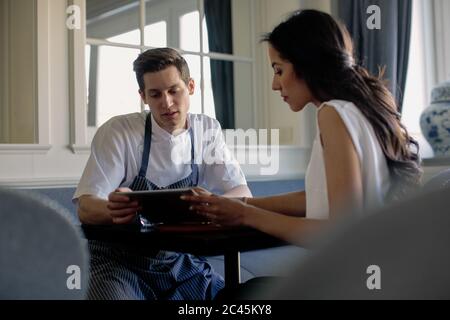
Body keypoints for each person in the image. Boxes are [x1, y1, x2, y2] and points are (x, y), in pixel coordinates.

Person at [182, 10, 422, 247]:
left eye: (279, 70)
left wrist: (244, 214)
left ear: (306, 63)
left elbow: (340, 231)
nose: (275, 85)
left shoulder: (333, 113)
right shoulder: (363, 108)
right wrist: (241, 203)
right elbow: (319, 199)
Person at [73, 47, 252, 300]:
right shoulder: (119, 132)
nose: (166, 103)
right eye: (155, 94)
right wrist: (114, 210)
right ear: (143, 96)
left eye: (173, 91)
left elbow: (243, 192)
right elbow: (86, 207)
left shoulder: (207, 130)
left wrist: (208, 204)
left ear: (190, 86)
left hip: (177, 262)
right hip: (118, 264)